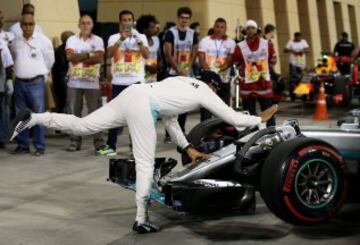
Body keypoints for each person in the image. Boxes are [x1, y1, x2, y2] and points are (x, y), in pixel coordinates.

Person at [10, 70, 278, 233]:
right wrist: (260, 120)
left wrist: (187, 148)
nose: (214, 93)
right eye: (215, 88)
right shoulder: (203, 92)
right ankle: (141, 219)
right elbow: (234, 118)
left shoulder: (180, 81)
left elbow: (170, 119)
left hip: (132, 93)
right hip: (141, 103)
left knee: (84, 125)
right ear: (210, 85)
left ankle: (34, 118)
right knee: (145, 162)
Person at [96, 10, 150, 156]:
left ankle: (136, 147)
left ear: (133, 21)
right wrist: (121, 39)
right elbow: (110, 54)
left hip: (136, 82)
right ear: (120, 22)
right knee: (115, 115)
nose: (127, 22)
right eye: (124, 20)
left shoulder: (142, 36)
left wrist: (138, 40)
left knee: (136, 116)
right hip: (119, 82)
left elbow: (146, 55)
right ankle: (111, 146)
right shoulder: (114, 37)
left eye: (129, 19)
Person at [11, 13, 54, 155]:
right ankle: (23, 145)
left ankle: (39, 146)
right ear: (20, 25)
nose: (28, 27)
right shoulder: (16, 41)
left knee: (38, 116)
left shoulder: (43, 40)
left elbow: (49, 60)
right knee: (21, 116)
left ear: (34, 25)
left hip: (36, 83)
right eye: (25, 24)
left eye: (31, 24)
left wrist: (41, 72)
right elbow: (13, 58)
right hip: (19, 83)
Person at [221, 20, 277, 127]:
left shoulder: (266, 44)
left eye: (253, 28)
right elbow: (235, 62)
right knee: (249, 115)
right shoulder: (239, 46)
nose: (250, 30)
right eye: (248, 28)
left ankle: (272, 132)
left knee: (268, 112)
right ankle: (252, 136)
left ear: (257, 30)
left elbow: (273, 60)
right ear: (245, 31)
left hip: (263, 84)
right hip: (248, 85)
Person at [64, 15, 105, 152]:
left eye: (88, 23)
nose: (86, 25)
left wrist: (79, 58)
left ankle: (99, 142)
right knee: (73, 114)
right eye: (83, 23)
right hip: (74, 82)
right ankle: (74, 141)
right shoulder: (72, 39)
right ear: (79, 24)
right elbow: (70, 57)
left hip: (92, 83)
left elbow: (99, 58)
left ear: (92, 25)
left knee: (95, 113)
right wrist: (88, 55)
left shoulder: (98, 40)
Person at [163, 7, 198, 142]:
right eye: (182, 17)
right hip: (173, 73)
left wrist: (188, 67)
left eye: (187, 18)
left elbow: (194, 52)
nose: (184, 20)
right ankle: (168, 134)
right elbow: (168, 53)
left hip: (187, 73)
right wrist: (178, 69)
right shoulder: (170, 33)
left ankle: (181, 130)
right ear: (178, 18)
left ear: (189, 19)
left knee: (185, 104)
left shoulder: (192, 34)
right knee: (171, 105)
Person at [198, 18, 236, 120]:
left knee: (223, 110)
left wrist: (218, 72)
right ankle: (205, 133)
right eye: (217, 26)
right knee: (207, 110)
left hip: (224, 80)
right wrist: (211, 74)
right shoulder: (204, 41)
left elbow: (229, 61)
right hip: (209, 82)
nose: (219, 29)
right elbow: (202, 60)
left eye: (222, 27)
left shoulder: (231, 43)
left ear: (225, 29)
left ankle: (222, 132)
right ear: (214, 27)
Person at [52, 31, 74, 114]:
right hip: (63, 80)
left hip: (64, 79)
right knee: (64, 102)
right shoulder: (61, 51)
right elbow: (64, 66)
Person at [284, 32, 309, 99]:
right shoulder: (290, 42)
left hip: (301, 64)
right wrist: (292, 50)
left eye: (300, 37)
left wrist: (302, 51)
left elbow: (307, 49)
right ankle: (293, 95)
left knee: (303, 79)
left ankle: (304, 95)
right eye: (298, 38)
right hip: (293, 63)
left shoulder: (303, 42)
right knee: (293, 80)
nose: (299, 39)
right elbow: (285, 50)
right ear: (295, 37)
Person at [136, 14, 160, 83]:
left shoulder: (156, 40)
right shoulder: (139, 41)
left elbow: (158, 56)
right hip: (141, 74)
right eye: (152, 27)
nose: (155, 29)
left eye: (155, 27)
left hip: (153, 74)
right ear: (144, 29)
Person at [0, 40, 14, 148]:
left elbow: (8, 64)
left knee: (2, 111)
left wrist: (9, 80)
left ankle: (2, 137)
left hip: (0, 83)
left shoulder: (1, 44)